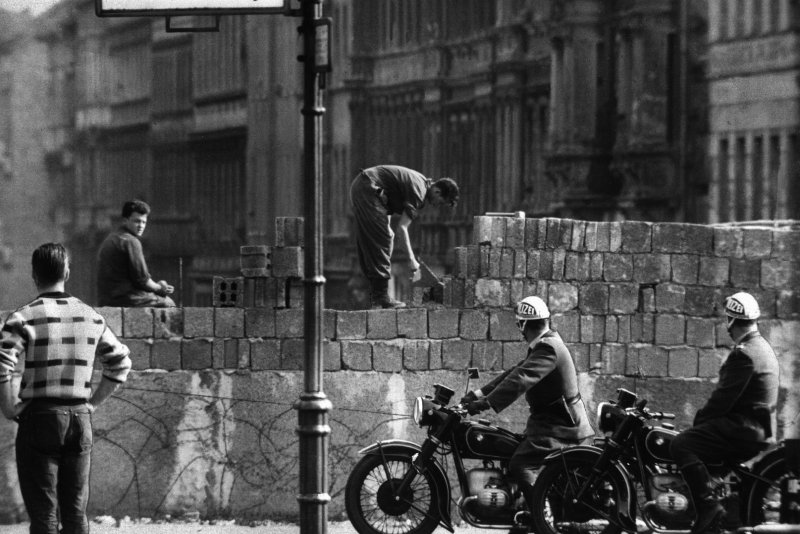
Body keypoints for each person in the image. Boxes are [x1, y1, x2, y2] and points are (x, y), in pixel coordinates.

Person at [0, 243, 132, 534]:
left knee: (44, 517)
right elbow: (120, 363)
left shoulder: (23, 317)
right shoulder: (91, 317)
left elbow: (2, 361)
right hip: (79, 420)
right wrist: (92, 404)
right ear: (67, 273)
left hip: (39, 418)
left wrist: (9, 406)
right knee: (75, 515)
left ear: (34, 275)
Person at [461, 296, 594, 533]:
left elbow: (520, 380)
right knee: (511, 451)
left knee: (521, 464)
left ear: (524, 324)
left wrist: (483, 405)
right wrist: (478, 394)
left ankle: (542, 518)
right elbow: (515, 372)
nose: (520, 331)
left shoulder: (548, 348)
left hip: (562, 426)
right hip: (550, 422)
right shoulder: (546, 344)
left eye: (519, 325)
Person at [670, 291, 779, 534]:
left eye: (728, 320)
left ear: (731, 321)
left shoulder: (744, 353)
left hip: (744, 429)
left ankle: (708, 507)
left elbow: (722, 400)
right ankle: (718, 512)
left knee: (681, 443)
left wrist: (698, 422)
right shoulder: (762, 347)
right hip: (758, 429)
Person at [349, 165, 459, 309]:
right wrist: (412, 261)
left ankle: (378, 294)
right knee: (382, 240)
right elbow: (402, 228)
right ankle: (381, 297)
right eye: (441, 202)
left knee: (386, 236)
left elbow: (388, 197)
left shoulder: (422, 182)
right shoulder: (419, 191)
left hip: (367, 187)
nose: (437, 206)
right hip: (368, 188)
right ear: (437, 191)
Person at [96, 199, 176, 307]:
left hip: (106, 300)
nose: (141, 226)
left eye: (144, 222)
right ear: (125, 220)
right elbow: (143, 281)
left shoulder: (111, 238)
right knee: (169, 303)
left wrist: (157, 286)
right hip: (125, 299)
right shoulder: (131, 241)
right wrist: (160, 288)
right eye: (137, 221)